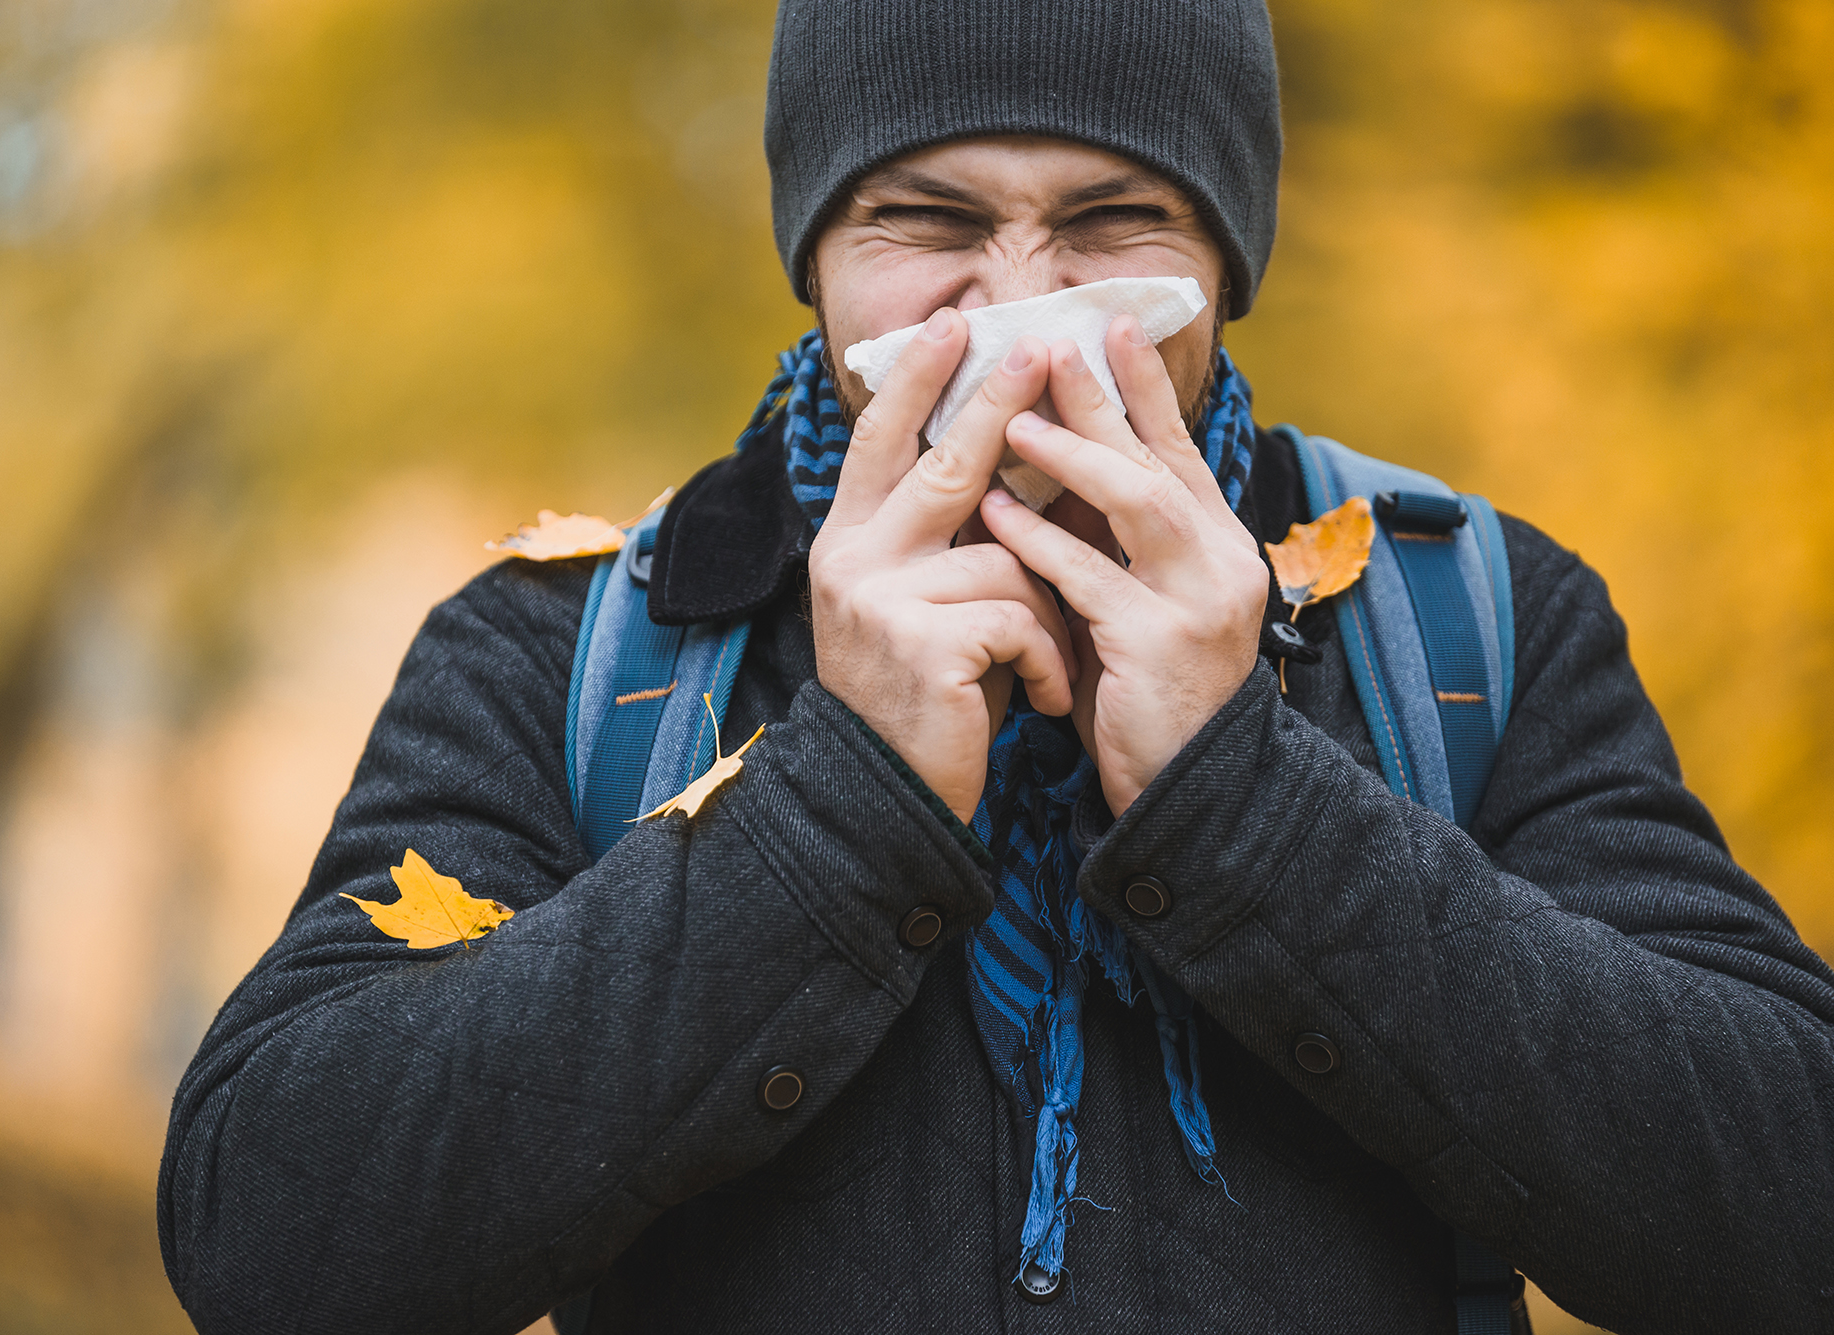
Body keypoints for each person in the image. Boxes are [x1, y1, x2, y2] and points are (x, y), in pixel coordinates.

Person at [158, 1, 1834, 1331]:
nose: (1021, 308)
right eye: (929, 220)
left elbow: (1787, 1216)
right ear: (818, 251)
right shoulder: (575, 645)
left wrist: (1245, 799)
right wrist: (838, 801)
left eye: (1114, 223)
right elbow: (274, 1240)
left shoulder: (1465, 621)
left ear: (1226, 261)